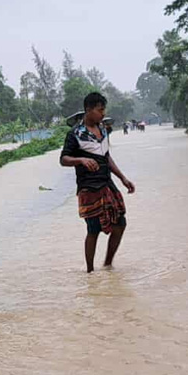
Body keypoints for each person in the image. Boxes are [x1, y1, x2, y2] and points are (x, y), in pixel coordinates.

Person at [60, 91, 136, 273]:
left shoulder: (103, 130)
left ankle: (108, 264)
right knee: (93, 229)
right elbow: (63, 159)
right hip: (88, 187)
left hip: (107, 184)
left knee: (120, 224)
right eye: (100, 110)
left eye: (103, 110)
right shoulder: (75, 134)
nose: (103, 114)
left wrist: (122, 178)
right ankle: (90, 273)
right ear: (88, 109)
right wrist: (81, 160)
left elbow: (106, 157)